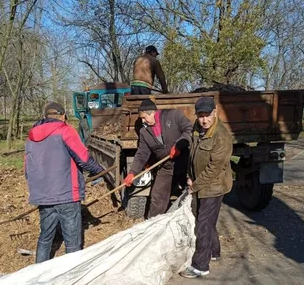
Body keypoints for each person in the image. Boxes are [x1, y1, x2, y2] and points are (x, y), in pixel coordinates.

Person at [25, 102, 104, 263]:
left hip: (43, 196)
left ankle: (38, 274)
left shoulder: (31, 137)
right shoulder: (66, 131)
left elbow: (27, 170)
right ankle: (71, 277)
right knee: (72, 242)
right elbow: (83, 158)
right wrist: (99, 171)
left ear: (45, 117)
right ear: (63, 116)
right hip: (66, 194)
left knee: (45, 238)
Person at [180, 97, 233, 278]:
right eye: (201, 116)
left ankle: (200, 266)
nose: (204, 120)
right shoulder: (197, 128)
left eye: (207, 115)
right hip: (198, 183)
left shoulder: (221, 136)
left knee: (203, 224)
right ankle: (214, 252)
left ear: (215, 112)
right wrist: (189, 176)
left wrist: (195, 186)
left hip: (214, 185)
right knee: (206, 221)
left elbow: (214, 169)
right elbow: (192, 155)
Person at [122, 99, 192, 217]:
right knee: (157, 196)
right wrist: (132, 173)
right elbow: (142, 154)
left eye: (144, 118)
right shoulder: (144, 132)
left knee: (190, 192)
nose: (143, 121)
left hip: (186, 162)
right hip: (166, 166)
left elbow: (189, 130)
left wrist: (179, 145)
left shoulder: (173, 115)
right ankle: (153, 224)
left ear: (152, 112)